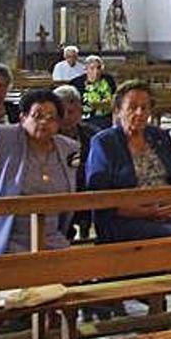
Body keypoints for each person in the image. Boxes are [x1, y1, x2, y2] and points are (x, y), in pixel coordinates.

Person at [0, 89, 78, 257]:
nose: (44, 122)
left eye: (51, 117)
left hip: (52, 238)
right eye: (37, 115)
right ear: (23, 118)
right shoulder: (1, 137)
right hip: (5, 238)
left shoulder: (69, 148)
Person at [86, 80, 171, 243]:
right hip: (127, 219)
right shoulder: (104, 142)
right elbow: (99, 195)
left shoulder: (159, 137)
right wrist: (147, 212)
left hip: (168, 214)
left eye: (145, 107)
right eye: (132, 107)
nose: (139, 113)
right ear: (118, 110)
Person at [54, 85, 98, 239]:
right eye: (61, 112)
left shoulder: (93, 134)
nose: (66, 117)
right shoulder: (48, 137)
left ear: (80, 112)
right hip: (57, 190)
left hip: (84, 188)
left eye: (72, 112)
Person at [71, 55, 116, 129]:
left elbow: (115, 98)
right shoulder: (76, 83)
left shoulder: (108, 80)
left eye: (98, 68)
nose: (96, 71)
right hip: (86, 118)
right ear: (86, 69)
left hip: (106, 117)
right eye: (92, 68)